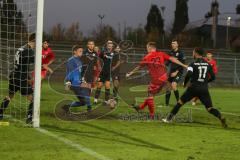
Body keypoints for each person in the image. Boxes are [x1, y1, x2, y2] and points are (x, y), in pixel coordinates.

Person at [162, 47, 227, 128]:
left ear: (196, 53)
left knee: (180, 103)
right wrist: (205, 82)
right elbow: (213, 77)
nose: (192, 54)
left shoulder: (192, 64)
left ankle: (168, 119)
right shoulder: (208, 64)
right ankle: (220, 117)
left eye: (193, 52)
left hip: (193, 88)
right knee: (210, 108)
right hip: (204, 89)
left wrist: (185, 83)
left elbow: (188, 74)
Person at [126, 42, 187, 119]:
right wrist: (184, 65)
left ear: (150, 48)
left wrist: (130, 73)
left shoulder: (147, 57)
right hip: (164, 78)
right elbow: (172, 59)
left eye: (147, 48)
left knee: (150, 95)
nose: (147, 49)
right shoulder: (161, 54)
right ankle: (140, 108)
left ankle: (152, 115)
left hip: (156, 79)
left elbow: (138, 67)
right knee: (151, 95)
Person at [0, 33, 36, 124]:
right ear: (33, 41)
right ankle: (29, 118)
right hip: (21, 78)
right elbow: (36, 62)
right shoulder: (29, 51)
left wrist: (28, 77)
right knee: (33, 98)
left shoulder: (21, 48)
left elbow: (22, 64)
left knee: (10, 96)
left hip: (14, 75)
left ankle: (0, 113)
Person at [64, 45, 91, 111]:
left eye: (82, 51)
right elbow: (70, 72)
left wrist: (82, 80)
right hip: (73, 83)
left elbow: (79, 72)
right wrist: (68, 82)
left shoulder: (79, 61)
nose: (81, 52)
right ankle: (89, 108)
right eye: (80, 51)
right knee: (86, 91)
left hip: (78, 82)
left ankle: (67, 106)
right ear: (74, 52)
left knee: (83, 102)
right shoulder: (71, 60)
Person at [94, 40, 115, 105]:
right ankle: (95, 100)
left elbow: (118, 61)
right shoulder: (103, 52)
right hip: (103, 71)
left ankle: (106, 101)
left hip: (109, 73)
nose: (109, 44)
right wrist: (99, 65)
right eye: (108, 43)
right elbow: (97, 57)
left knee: (107, 86)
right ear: (107, 45)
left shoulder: (115, 53)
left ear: (112, 45)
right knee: (99, 85)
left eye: (110, 43)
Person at [165, 39, 186, 106]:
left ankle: (178, 102)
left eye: (174, 43)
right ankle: (166, 104)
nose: (172, 44)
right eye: (172, 43)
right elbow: (167, 63)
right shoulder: (170, 52)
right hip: (171, 72)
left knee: (173, 85)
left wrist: (176, 72)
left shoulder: (181, 53)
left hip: (178, 72)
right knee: (168, 87)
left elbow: (182, 64)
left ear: (177, 45)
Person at [81, 40, 99, 107]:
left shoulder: (95, 53)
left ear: (94, 45)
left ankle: (86, 101)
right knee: (84, 87)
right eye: (90, 44)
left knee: (89, 88)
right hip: (84, 72)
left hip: (90, 73)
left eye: (92, 44)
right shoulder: (84, 52)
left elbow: (95, 64)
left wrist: (95, 71)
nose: (91, 45)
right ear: (87, 45)